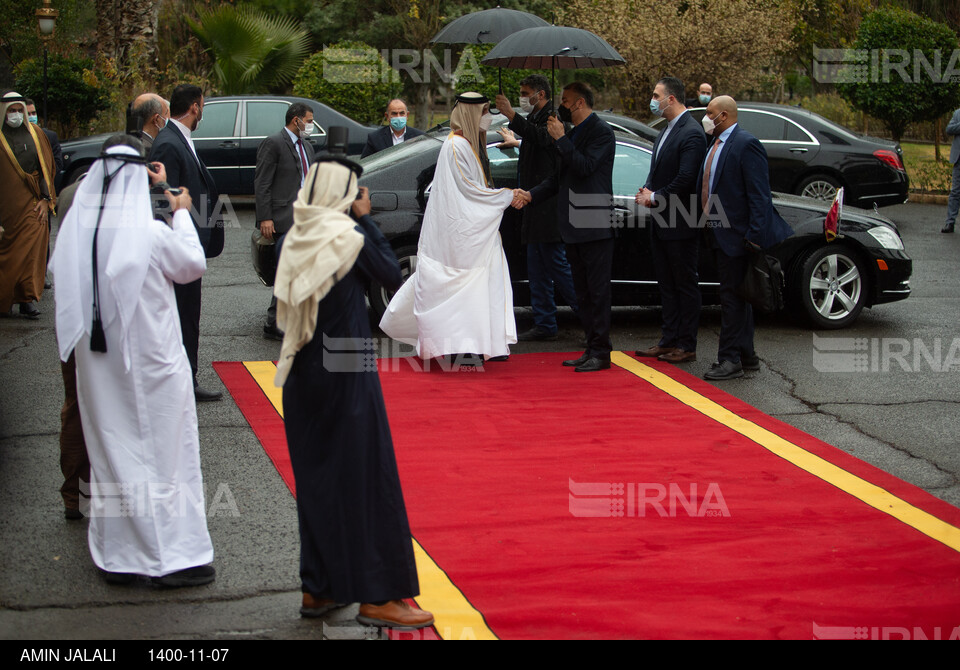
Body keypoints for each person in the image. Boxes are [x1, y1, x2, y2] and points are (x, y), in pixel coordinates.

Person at [49, 133, 215, 587]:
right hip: (154, 365)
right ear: (139, 175)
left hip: (99, 370)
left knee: (113, 456)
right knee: (167, 458)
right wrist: (179, 211)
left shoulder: (77, 236)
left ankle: (120, 557)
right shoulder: (150, 230)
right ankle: (170, 558)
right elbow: (191, 264)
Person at [275, 156, 433, 628]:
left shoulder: (292, 236)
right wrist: (366, 221)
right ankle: (378, 595)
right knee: (368, 477)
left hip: (302, 372)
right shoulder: (350, 237)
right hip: (347, 373)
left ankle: (318, 587)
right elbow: (391, 273)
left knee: (320, 479)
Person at [380, 92, 518, 364]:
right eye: (484, 112)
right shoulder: (456, 146)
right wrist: (507, 196)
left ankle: (485, 344)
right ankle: (459, 347)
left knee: (482, 288)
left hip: (475, 233)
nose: (488, 117)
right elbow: (469, 190)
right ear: (470, 114)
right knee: (458, 291)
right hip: (460, 236)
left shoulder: (468, 144)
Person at [515, 82, 617, 372]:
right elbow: (559, 178)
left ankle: (601, 351)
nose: (562, 105)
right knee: (582, 292)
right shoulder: (573, 133)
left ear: (580, 103)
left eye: (566, 100)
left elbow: (585, 167)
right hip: (572, 224)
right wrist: (531, 194)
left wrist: (560, 139)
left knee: (597, 292)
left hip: (594, 224)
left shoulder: (601, 132)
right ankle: (591, 346)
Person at [697, 95, 792, 380]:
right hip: (718, 231)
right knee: (739, 295)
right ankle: (747, 355)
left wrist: (753, 237)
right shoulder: (714, 144)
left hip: (738, 237)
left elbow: (759, 196)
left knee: (731, 299)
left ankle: (729, 360)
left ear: (723, 115)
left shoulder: (745, 144)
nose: (705, 117)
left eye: (709, 112)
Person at [149, 84, 224, 401]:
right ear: (195, 107)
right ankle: (184, 382)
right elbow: (161, 202)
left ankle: (184, 377)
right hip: (178, 248)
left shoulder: (178, 138)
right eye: (203, 106)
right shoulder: (169, 143)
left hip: (188, 243)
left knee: (187, 314)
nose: (202, 112)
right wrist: (177, 244)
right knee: (182, 315)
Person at [496, 75, 579, 343]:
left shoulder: (553, 119)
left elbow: (543, 139)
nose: (522, 97)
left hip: (548, 208)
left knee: (559, 269)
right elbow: (532, 142)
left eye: (525, 92)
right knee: (537, 271)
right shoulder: (534, 117)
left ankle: (591, 320)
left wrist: (511, 115)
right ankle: (545, 322)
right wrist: (516, 138)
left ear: (540, 94)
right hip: (532, 205)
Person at [634, 77, 706, 364]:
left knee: (684, 284)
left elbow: (686, 179)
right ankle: (669, 339)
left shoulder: (691, 132)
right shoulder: (665, 131)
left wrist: (655, 196)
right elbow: (659, 171)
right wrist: (647, 189)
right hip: (661, 221)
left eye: (656, 95)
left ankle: (686, 344)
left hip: (682, 221)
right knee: (667, 283)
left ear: (672, 98)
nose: (653, 100)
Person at [254, 102, 315, 340]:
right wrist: (265, 217)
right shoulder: (274, 143)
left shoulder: (307, 147)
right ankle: (275, 323)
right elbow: (262, 182)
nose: (310, 125)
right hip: (284, 218)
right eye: (309, 121)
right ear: (296, 120)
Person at [0, 90, 56, 319]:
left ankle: (27, 299)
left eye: (18, 110)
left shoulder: (37, 134)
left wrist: (46, 199)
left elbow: (47, 169)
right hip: (6, 208)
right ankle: (5, 299)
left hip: (33, 204)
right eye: (10, 111)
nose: (15, 115)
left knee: (32, 252)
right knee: (8, 254)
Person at [25, 98, 63, 173]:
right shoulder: (18, 138)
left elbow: (58, 165)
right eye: (28, 114)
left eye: (33, 113)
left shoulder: (50, 136)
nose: (32, 116)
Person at [942, 107, 960, 233]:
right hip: (959, 159)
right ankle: (950, 223)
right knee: (955, 192)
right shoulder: (957, 113)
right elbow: (949, 129)